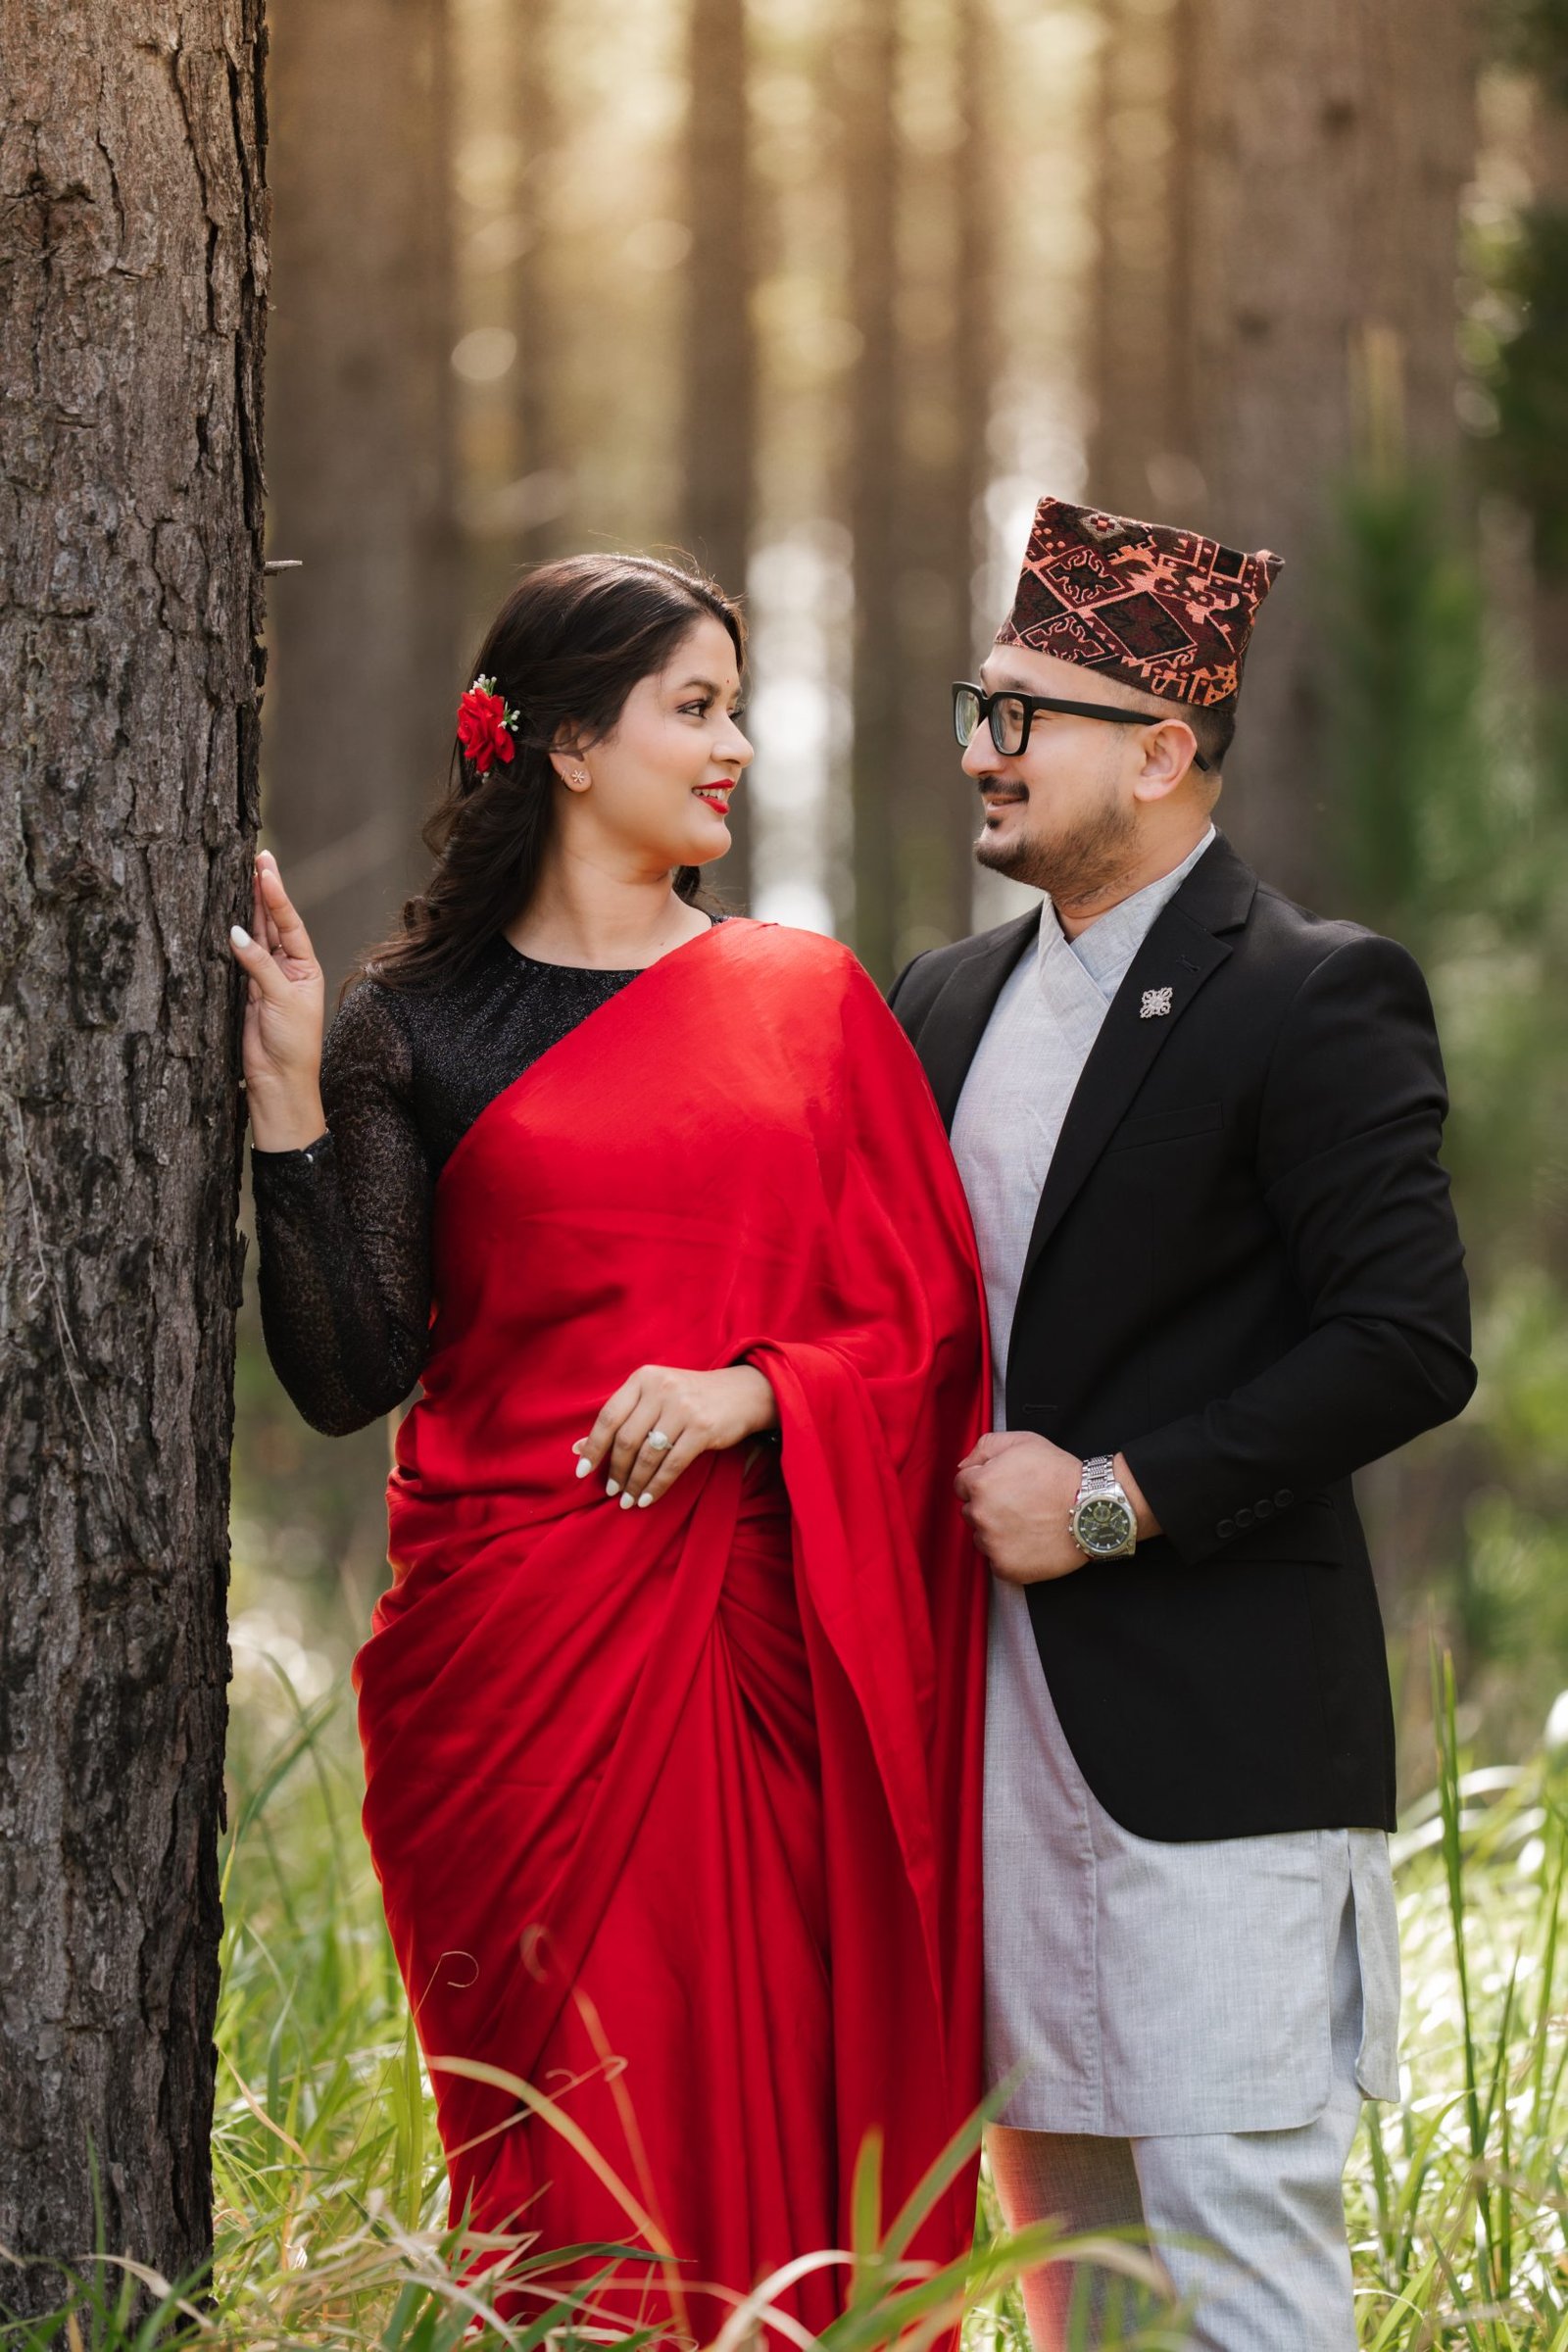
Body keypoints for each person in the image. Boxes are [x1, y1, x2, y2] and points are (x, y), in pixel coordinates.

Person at [231, 553, 988, 2338]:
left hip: (749, 1666)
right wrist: (287, 1112)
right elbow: (349, 1375)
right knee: (572, 2167)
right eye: (695, 707)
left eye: (738, 708)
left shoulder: (809, 1004)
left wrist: (754, 1393)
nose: (736, 747)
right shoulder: (408, 1024)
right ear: (568, 744)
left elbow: (933, 1328)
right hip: (509, 1673)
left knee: (757, 2116)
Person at [889, 497, 1477, 2352]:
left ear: (1160, 750)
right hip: (983, 1753)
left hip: (1214, 1772)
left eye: (1022, 718)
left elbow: (1407, 1343)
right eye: (978, 710)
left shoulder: (1313, 992)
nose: (982, 752)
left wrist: (1113, 1502)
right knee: (1080, 2303)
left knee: (1243, 2284)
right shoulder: (941, 1000)